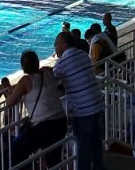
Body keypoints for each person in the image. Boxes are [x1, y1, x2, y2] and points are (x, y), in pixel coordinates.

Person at [0, 49, 67, 165]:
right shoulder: (48, 72)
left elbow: (10, 103)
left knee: (16, 153)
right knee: (53, 159)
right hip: (61, 121)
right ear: (37, 62)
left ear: (23, 66)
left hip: (44, 126)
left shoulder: (25, 80)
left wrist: (8, 93)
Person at [53, 31, 105, 170]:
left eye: (56, 44)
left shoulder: (61, 64)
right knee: (96, 140)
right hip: (97, 103)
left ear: (64, 45)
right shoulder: (83, 54)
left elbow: (52, 80)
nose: (55, 47)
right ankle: (98, 167)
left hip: (83, 109)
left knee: (83, 144)